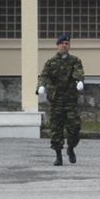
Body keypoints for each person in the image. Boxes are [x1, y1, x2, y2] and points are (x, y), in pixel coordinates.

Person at [39, 33, 84, 166]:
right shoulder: (51, 62)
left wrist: (79, 80)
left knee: (75, 127)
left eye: (67, 43)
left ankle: (70, 147)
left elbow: (78, 72)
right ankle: (58, 155)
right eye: (62, 43)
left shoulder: (75, 61)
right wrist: (41, 86)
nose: (65, 46)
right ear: (57, 46)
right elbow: (44, 76)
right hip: (56, 100)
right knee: (56, 129)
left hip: (70, 99)